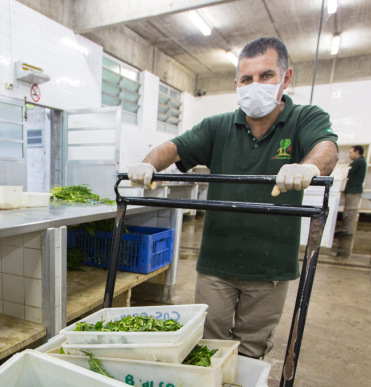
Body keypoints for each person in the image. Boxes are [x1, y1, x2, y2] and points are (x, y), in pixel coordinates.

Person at [128, 36, 338, 359]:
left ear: (286, 78)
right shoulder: (218, 127)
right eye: (246, 79)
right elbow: (174, 147)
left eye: (266, 76)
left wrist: (307, 167)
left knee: (251, 349)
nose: (255, 85)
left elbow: (326, 149)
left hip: (270, 269)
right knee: (207, 344)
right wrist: (147, 163)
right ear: (236, 83)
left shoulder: (303, 119)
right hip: (216, 264)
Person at [335, 145, 367, 238]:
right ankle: (346, 230)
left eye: (351, 152)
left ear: (357, 152)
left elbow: (347, 170)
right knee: (349, 211)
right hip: (352, 190)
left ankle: (347, 231)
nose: (349, 155)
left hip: (354, 190)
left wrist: (341, 166)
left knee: (350, 211)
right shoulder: (359, 162)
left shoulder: (359, 162)